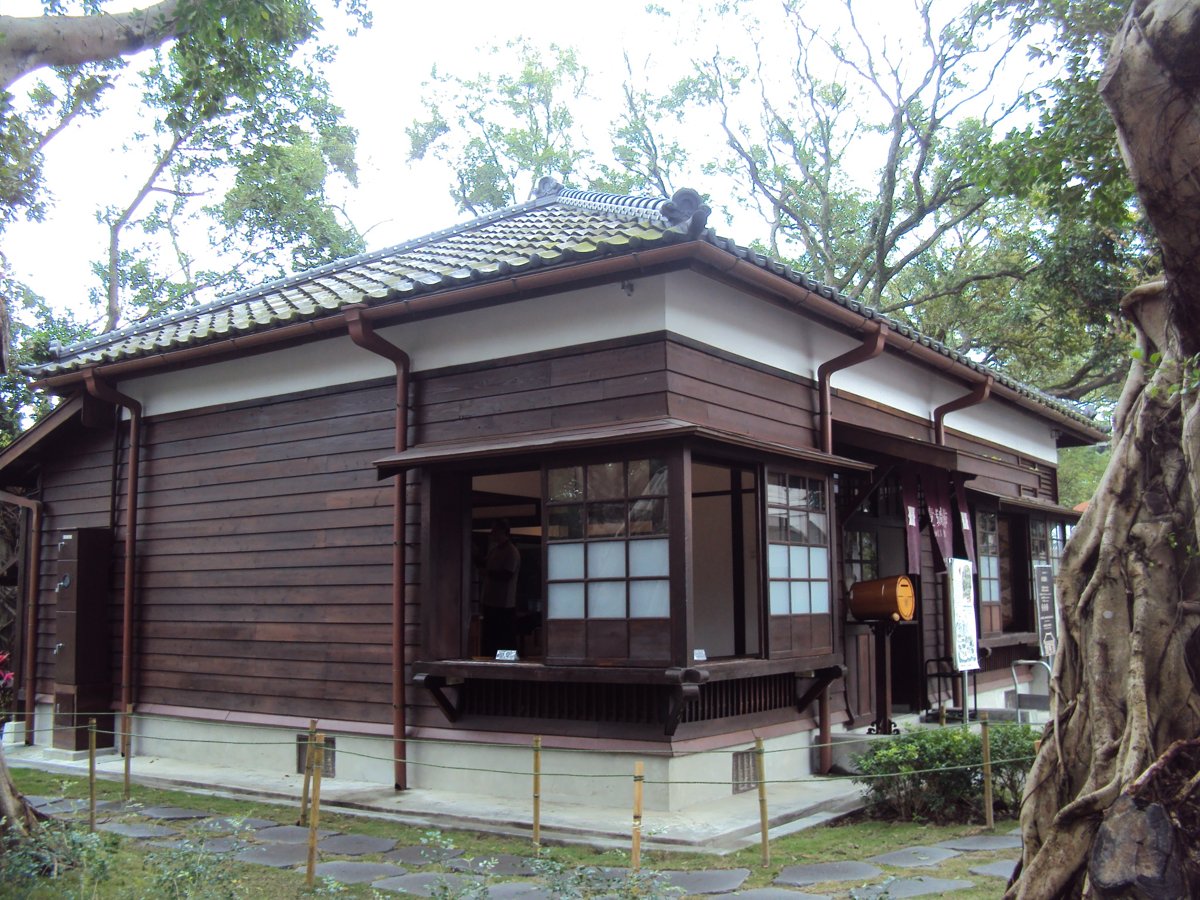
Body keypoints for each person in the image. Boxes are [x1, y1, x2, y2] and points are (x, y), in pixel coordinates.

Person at [479, 520, 521, 656]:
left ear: (503, 532)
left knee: (505, 638)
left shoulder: (511, 552)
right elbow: (484, 563)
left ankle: (507, 666)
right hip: (490, 600)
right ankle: (490, 661)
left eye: (495, 531)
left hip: (504, 603)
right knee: (490, 637)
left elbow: (507, 574)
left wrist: (488, 573)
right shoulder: (494, 551)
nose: (492, 534)